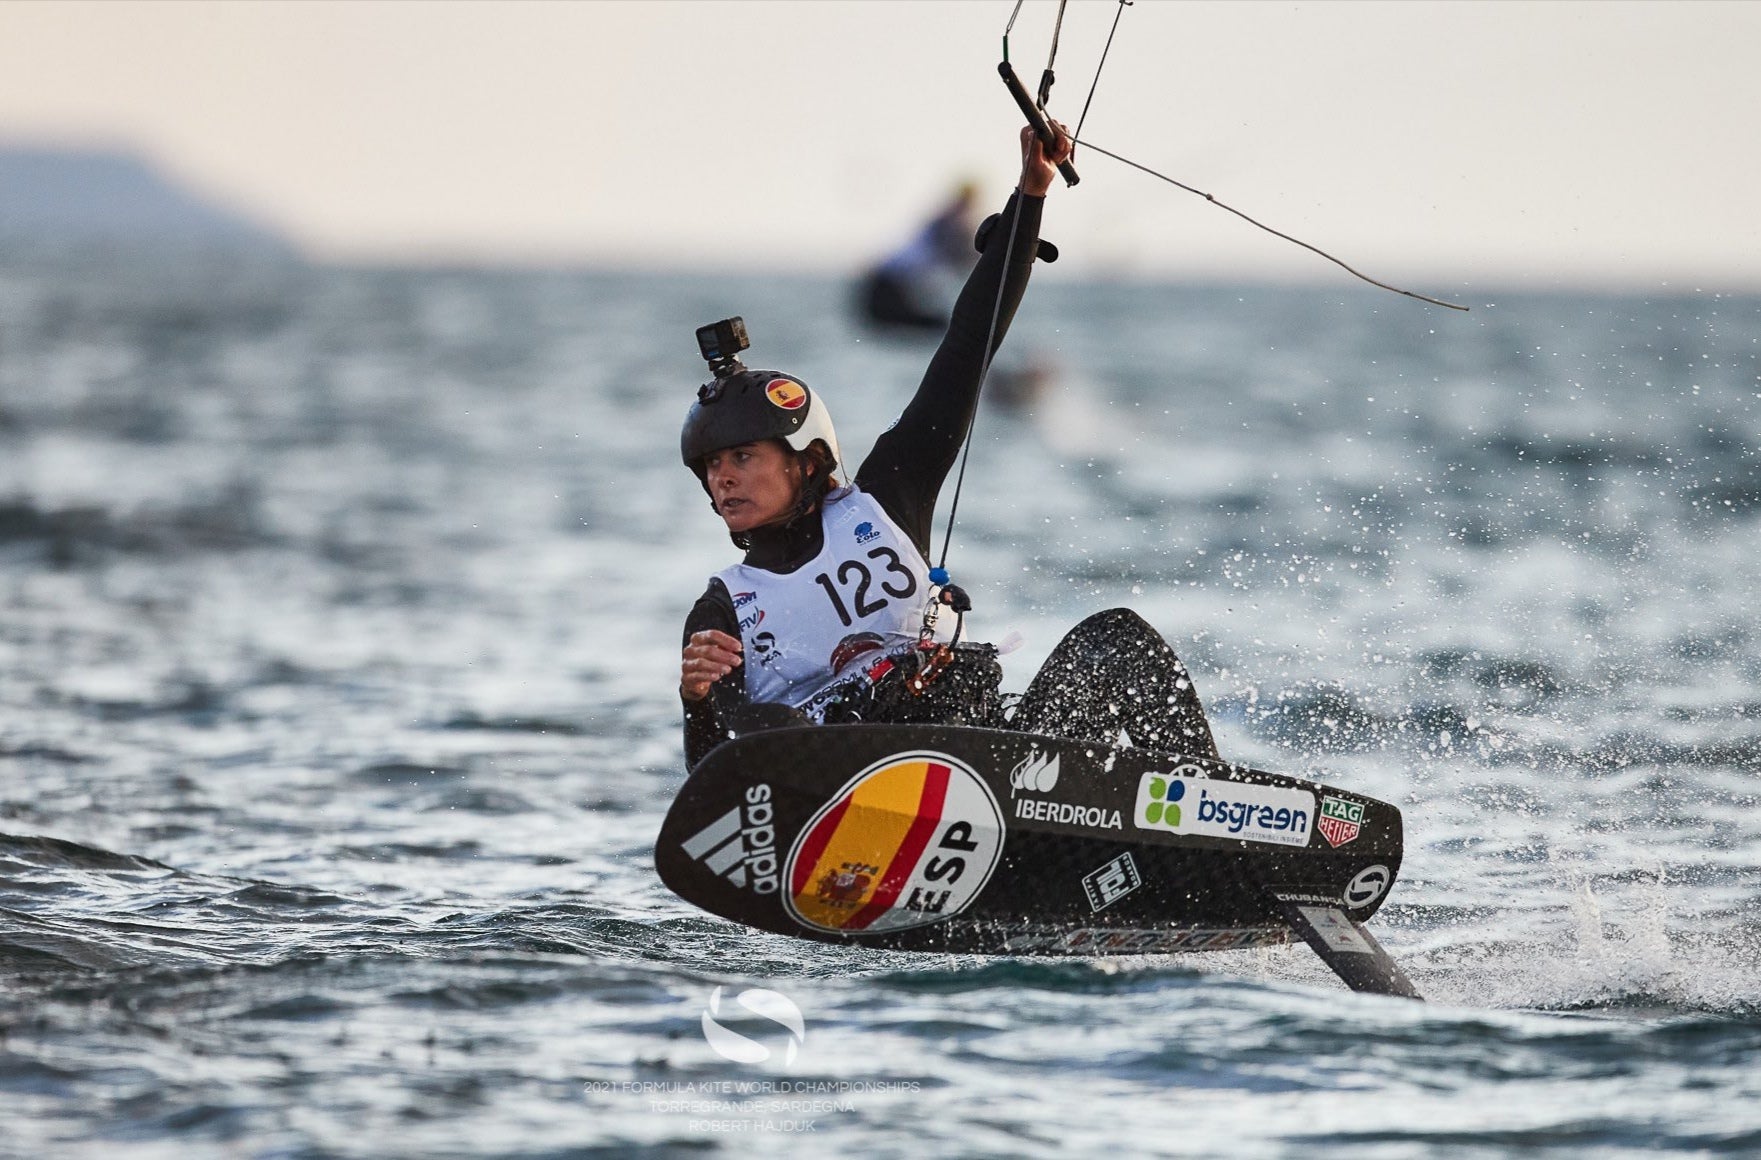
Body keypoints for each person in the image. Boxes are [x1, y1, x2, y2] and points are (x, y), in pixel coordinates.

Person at [678, 121, 1218, 770]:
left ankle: (1208, 811)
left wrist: (1030, 194)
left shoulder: (886, 499)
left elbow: (967, 349)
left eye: (742, 457)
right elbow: (712, 783)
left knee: (1116, 642)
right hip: (844, 809)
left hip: (1002, 776)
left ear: (806, 461)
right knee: (779, 726)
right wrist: (697, 699)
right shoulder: (723, 609)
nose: (724, 479)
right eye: (711, 466)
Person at [855, 181, 980, 332]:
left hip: (891, 283)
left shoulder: (946, 219)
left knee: (933, 326)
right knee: (936, 327)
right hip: (890, 283)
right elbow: (958, 254)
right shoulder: (949, 221)